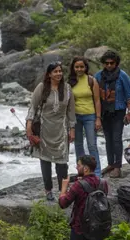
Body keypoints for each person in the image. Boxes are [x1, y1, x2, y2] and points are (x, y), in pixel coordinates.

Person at [26, 61, 76, 201]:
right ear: (49, 74)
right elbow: (33, 107)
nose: (59, 74)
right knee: (45, 161)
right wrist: (29, 126)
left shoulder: (67, 89)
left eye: (60, 71)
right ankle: (48, 190)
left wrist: (72, 129)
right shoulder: (42, 88)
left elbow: (71, 111)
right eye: (55, 71)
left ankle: (63, 190)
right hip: (44, 128)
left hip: (61, 129)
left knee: (62, 162)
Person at [59, 155, 108, 240]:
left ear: (85, 168)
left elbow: (63, 203)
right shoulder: (103, 183)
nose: (76, 167)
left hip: (79, 229)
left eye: (79, 165)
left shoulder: (78, 185)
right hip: (97, 228)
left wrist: (63, 189)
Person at [94, 50, 130, 178]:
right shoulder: (98, 76)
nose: (109, 65)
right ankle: (110, 163)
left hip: (118, 111)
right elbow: (95, 96)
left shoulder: (123, 76)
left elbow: (129, 96)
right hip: (104, 111)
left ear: (116, 63)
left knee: (116, 139)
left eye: (112, 63)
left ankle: (117, 166)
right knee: (108, 139)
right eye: (107, 63)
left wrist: (129, 112)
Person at [68, 56, 102, 177]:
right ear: (73, 68)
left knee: (92, 145)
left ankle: (96, 173)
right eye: (77, 67)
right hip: (75, 117)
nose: (79, 69)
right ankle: (81, 172)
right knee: (78, 145)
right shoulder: (70, 82)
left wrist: (98, 118)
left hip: (90, 116)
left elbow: (97, 100)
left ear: (85, 67)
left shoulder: (91, 80)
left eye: (81, 66)